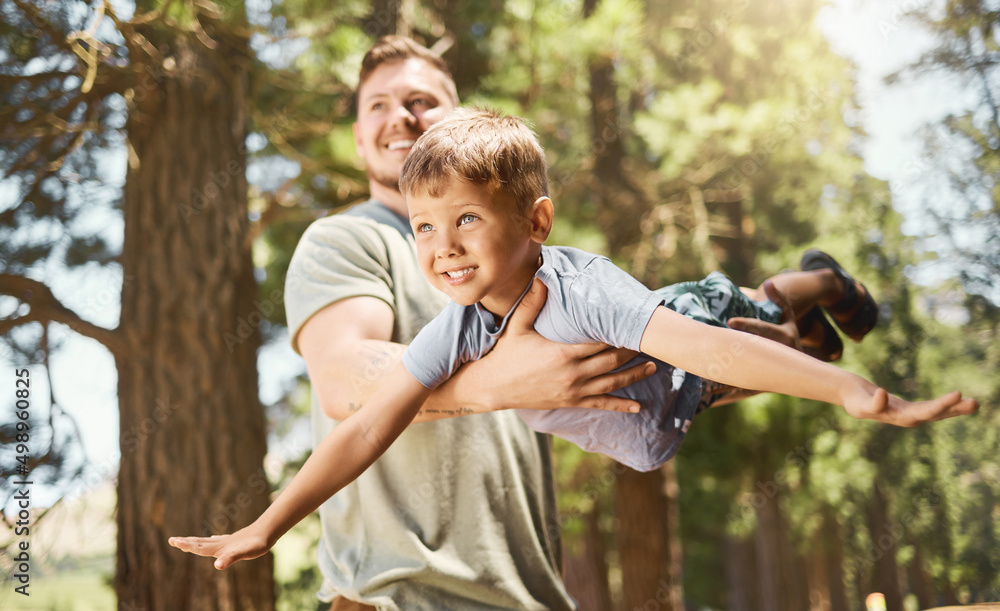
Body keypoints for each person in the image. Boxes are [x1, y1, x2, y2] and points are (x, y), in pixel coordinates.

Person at [169, 108, 979, 576]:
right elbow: (364, 424)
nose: (442, 246)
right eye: (423, 226)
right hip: (672, 406)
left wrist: (849, 393)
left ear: (536, 221)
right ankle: (815, 339)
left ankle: (826, 285)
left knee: (752, 310)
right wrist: (270, 523)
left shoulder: (584, 288)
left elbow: (703, 347)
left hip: (682, 339)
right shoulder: (459, 330)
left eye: (466, 220)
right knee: (787, 348)